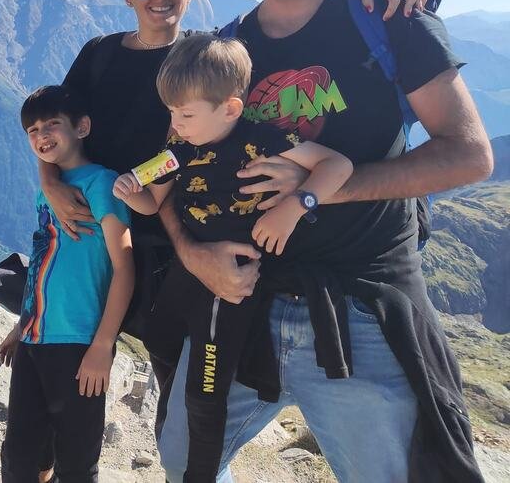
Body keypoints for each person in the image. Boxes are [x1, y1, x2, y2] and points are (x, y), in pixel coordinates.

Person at [155, 0, 493, 482]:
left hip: (361, 308)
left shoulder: (386, 19)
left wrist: (320, 190)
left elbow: (470, 153)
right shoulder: (224, 52)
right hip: (242, 303)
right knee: (183, 462)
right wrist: (192, 254)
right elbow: (176, 170)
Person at [113, 34, 352, 482]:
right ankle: (176, 442)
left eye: (185, 114)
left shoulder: (264, 141)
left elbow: (338, 165)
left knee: (207, 386)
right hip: (188, 270)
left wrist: (295, 206)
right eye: (171, 112)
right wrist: (130, 192)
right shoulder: (176, 151)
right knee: (160, 338)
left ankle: (200, 471)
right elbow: (151, 201)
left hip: (234, 281)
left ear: (230, 108)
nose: (175, 123)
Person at [0, 84, 135, 483]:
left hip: (79, 343)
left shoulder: (102, 184)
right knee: (20, 454)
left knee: (76, 461)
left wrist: (103, 346)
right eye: (32, 130)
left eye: (51, 124)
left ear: (82, 127)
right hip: (34, 340)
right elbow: (44, 262)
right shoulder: (49, 190)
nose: (41, 135)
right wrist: (21, 325)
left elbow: (125, 268)